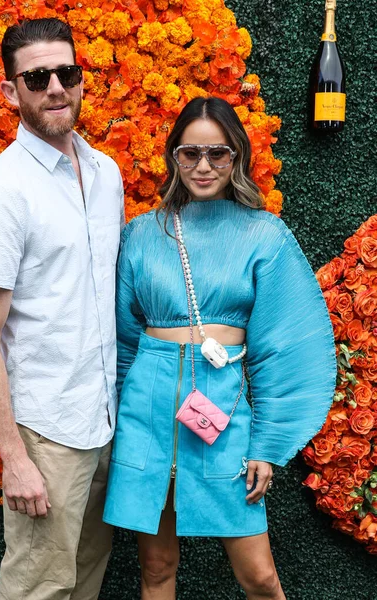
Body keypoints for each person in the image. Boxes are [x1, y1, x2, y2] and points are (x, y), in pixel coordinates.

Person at [103, 97, 336, 599]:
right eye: (190, 153)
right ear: (173, 157)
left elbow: (284, 350)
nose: (203, 166)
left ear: (237, 158)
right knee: (157, 569)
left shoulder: (264, 235)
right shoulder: (142, 234)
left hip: (222, 408)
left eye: (218, 153)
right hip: (148, 407)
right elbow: (121, 343)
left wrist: (266, 447)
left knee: (260, 577)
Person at [0, 18, 124, 600]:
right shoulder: (1, 194)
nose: (55, 87)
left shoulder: (108, 175)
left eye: (67, 72)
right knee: (39, 589)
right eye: (37, 77)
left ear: (81, 80)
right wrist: (14, 458)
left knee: (84, 582)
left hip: (104, 421)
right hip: (46, 431)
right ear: (11, 92)